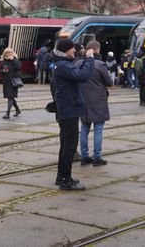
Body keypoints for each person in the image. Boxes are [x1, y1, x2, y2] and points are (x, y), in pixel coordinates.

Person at [52, 38, 94, 191]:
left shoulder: (62, 63)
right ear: (65, 50)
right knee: (69, 146)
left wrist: (83, 59)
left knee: (66, 145)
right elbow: (82, 76)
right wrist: (90, 59)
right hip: (69, 109)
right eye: (71, 49)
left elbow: (76, 70)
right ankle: (65, 180)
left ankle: (61, 176)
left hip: (67, 108)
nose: (74, 51)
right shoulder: (63, 65)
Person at [78, 41, 112, 167]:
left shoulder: (79, 63)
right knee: (98, 129)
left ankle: (84, 156)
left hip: (82, 100)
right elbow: (109, 82)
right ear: (96, 50)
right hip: (98, 101)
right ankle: (97, 157)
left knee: (84, 128)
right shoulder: (100, 64)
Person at [0, 47, 21, 119]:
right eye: (7, 53)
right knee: (10, 97)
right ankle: (17, 109)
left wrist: (13, 60)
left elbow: (18, 67)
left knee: (10, 97)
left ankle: (7, 113)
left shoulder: (15, 60)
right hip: (6, 82)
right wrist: (3, 71)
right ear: (5, 54)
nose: (9, 54)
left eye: (10, 53)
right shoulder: (3, 62)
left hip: (14, 82)